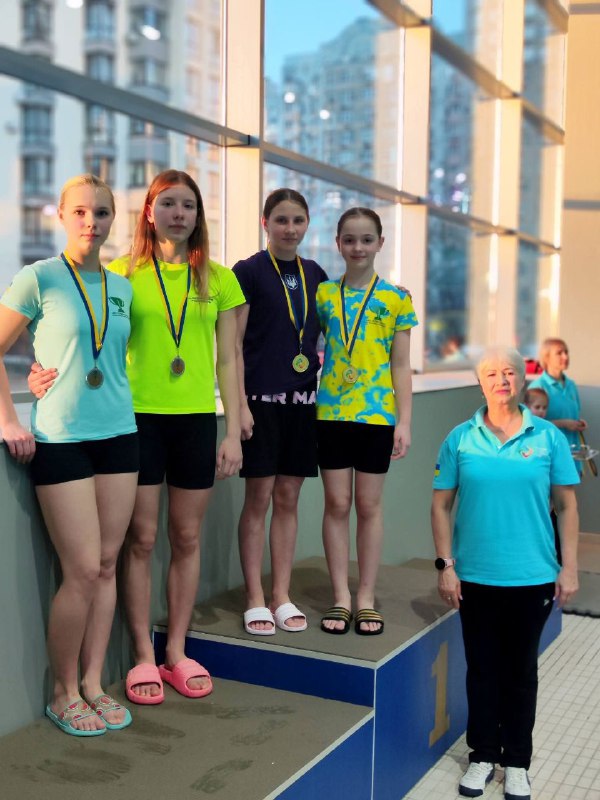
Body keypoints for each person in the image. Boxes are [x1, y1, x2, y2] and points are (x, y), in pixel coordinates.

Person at [29, 170, 244, 704]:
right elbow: (90, 340)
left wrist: (234, 427)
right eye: (167, 203)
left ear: (198, 215)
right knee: (141, 541)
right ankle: (143, 654)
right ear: (149, 212)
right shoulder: (122, 274)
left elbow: (229, 358)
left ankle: (177, 651)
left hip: (196, 419)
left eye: (188, 205)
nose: (178, 214)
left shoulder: (219, 280)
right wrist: (40, 371)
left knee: (186, 538)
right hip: (134, 421)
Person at [0, 174, 139, 735]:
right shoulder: (38, 278)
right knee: (81, 570)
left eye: (101, 212)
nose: (91, 222)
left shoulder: (122, 286)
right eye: (80, 211)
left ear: (112, 220)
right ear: (60, 215)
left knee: (107, 565)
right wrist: (9, 417)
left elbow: (110, 357)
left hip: (120, 434)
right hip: (62, 439)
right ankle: (62, 692)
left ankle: (93, 684)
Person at [431, 346, 579, 799]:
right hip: (475, 577)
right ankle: (482, 756)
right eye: (492, 373)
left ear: (522, 379)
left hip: (532, 577)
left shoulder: (548, 437)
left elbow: (568, 505)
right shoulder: (460, 438)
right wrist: (446, 565)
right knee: (481, 671)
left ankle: (516, 762)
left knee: (520, 672)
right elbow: (440, 505)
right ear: (480, 383)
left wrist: (569, 567)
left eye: (510, 372)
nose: (501, 380)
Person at [316, 207, 417, 635]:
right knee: (337, 504)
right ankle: (341, 596)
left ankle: (366, 597)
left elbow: (401, 366)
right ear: (338, 243)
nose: (358, 247)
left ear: (380, 243)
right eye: (350, 239)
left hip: (377, 416)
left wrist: (404, 421)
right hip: (331, 413)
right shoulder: (324, 295)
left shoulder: (396, 299)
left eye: (366, 239)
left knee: (369, 506)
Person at [233, 188, 327, 635]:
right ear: (265, 223)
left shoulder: (316, 274)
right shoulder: (249, 271)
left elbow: (342, 314)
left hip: (303, 403)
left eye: (298, 220)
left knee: (289, 498)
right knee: (259, 499)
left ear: (307, 224)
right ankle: (255, 597)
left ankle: (281, 595)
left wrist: (393, 293)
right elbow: (233, 346)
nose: (290, 229)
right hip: (260, 405)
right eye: (281, 220)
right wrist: (239, 405)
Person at [528, 338, 586, 457]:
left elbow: (571, 413)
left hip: (574, 455)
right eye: (559, 353)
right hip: (552, 455)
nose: (565, 356)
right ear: (546, 357)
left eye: (566, 352)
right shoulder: (538, 386)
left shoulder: (571, 385)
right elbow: (531, 426)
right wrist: (563, 423)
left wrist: (578, 422)